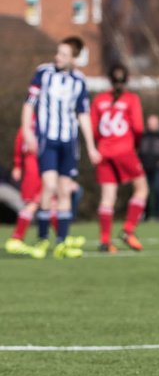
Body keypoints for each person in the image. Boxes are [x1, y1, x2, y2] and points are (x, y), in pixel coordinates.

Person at [21, 36, 99, 260]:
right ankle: (42, 239)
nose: (58, 57)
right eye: (58, 53)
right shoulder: (44, 73)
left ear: (74, 59)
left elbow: (83, 114)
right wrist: (27, 130)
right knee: (49, 185)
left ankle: (61, 243)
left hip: (69, 141)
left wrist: (91, 146)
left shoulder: (79, 81)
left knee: (65, 190)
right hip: (48, 139)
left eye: (64, 54)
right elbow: (29, 103)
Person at [91, 64, 148, 252]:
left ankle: (104, 241)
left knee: (108, 197)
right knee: (141, 189)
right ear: (127, 79)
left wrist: (99, 147)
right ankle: (128, 230)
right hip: (125, 150)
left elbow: (93, 129)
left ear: (109, 79)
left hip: (104, 152)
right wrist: (136, 146)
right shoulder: (131, 99)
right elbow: (138, 128)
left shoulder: (99, 100)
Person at [5, 117, 42, 256]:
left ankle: (61, 239)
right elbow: (19, 141)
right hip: (35, 163)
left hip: (39, 163)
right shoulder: (34, 119)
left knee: (49, 201)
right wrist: (17, 165)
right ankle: (16, 238)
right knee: (35, 202)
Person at [136, 115, 159, 220]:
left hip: (158, 169)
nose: (152, 125)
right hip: (144, 168)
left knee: (157, 190)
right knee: (143, 192)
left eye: (154, 123)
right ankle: (145, 215)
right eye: (150, 123)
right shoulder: (143, 136)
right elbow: (137, 151)